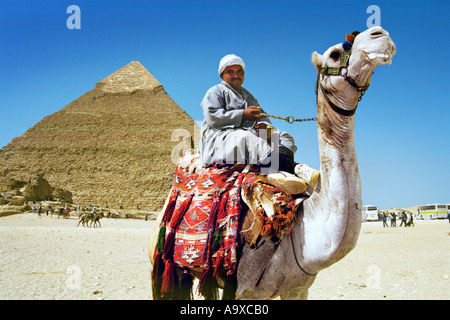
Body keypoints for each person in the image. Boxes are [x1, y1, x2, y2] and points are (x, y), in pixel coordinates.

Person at [199, 54, 319, 194]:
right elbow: (212, 118)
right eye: (230, 72)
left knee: (283, 136)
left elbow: (261, 117)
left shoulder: (249, 96)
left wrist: (265, 127)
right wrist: (243, 114)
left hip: (248, 136)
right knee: (243, 137)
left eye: (239, 72)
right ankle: (294, 167)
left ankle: (275, 168)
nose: (235, 75)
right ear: (222, 75)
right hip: (219, 139)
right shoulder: (215, 92)